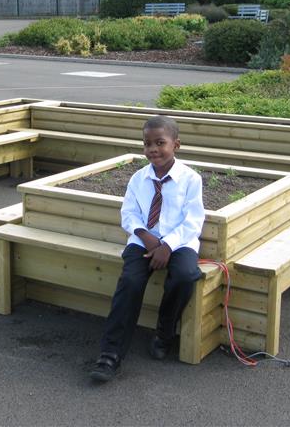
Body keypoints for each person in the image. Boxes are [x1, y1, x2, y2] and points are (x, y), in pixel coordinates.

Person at [90, 115, 205, 383]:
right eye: (147, 143)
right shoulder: (138, 179)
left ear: (176, 145)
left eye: (160, 142)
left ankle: (165, 333)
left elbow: (193, 220)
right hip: (143, 241)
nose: (152, 149)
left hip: (179, 242)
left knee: (186, 275)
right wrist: (147, 237)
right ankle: (110, 353)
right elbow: (129, 214)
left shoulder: (191, 179)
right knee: (130, 281)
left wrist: (167, 245)